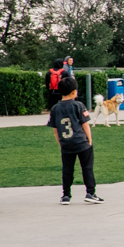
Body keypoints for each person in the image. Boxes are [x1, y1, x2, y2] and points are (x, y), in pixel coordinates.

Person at [47, 76, 102, 205]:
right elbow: (85, 124)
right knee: (87, 167)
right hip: (81, 142)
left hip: (66, 143)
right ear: (73, 92)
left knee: (67, 169)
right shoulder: (78, 105)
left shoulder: (55, 108)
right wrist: (89, 139)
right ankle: (90, 192)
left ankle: (66, 195)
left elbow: (55, 129)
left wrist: (60, 143)